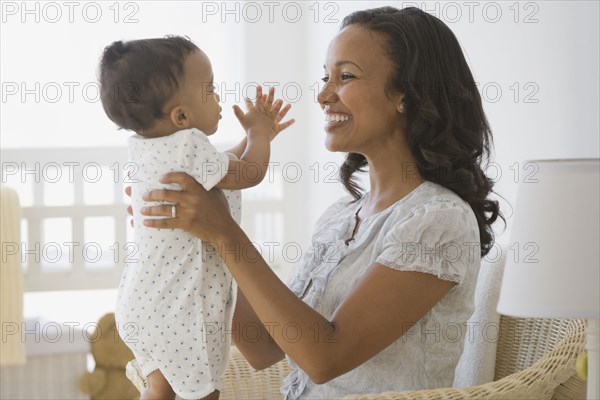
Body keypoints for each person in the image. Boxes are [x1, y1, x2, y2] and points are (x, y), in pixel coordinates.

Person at [136, 7, 502, 399]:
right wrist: (196, 236)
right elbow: (262, 346)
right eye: (325, 77)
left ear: (406, 94)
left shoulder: (439, 220)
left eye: (345, 77)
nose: (324, 95)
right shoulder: (339, 219)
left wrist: (224, 231)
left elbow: (324, 358)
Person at [98, 36, 294, 400]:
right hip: (179, 309)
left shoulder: (148, 148)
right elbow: (247, 173)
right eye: (210, 89)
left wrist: (253, 138)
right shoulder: (189, 145)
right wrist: (259, 134)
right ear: (182, 117)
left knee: (160, 388)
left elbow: (226, 167)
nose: (218, 98)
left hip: (139, 302)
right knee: (203, 393)